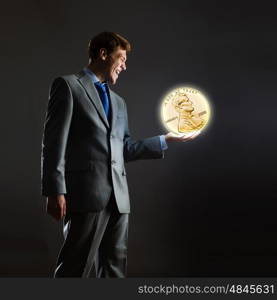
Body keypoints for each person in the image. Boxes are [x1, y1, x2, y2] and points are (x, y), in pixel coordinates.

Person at [41, 32, 200, 278]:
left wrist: (164, 139)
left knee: (114, 270)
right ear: (103, 54)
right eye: (121, 58)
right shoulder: (69, 86)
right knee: (75, 268)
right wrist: (54, 190)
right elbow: (53, 143)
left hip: (119, 198)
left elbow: (123, 149)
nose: (124, 66)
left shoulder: (119, 102)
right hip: (85, 195)